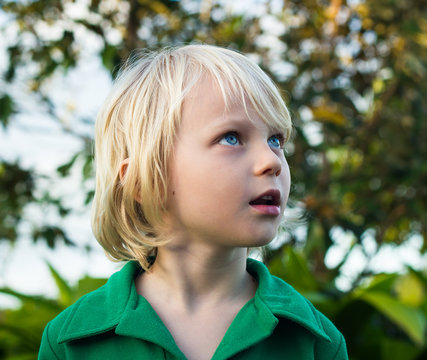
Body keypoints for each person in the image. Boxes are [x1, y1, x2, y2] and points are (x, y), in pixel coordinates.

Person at [38, 44, 348, 360]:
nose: (272, 161)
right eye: (231, 137)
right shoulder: (70, 342)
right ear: (144, 181)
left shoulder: (315, 342)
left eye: (275, 140)